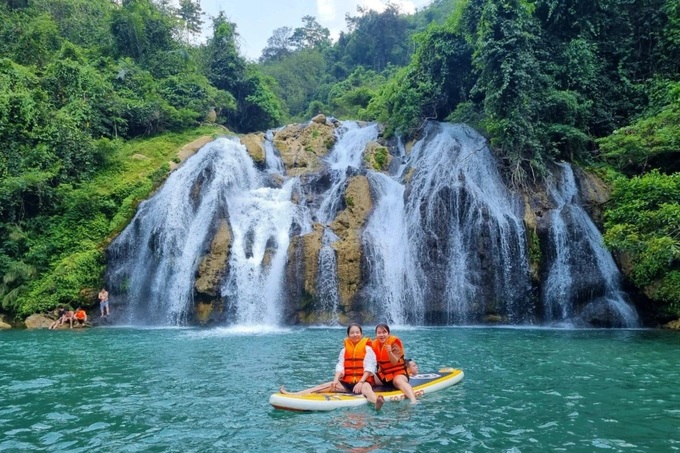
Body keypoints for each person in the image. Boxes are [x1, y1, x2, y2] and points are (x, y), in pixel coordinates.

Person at [331, 323, 384, 410]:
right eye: (352, 333)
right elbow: (340, 365)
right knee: (325, 386)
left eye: (357, 332)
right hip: (347, 383)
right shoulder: (344, 351)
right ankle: (302, 395)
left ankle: (377, 403)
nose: (355, 335)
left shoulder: (368, 349)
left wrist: (361, 382)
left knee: (367, 389)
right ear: (348, 335)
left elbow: (369, 367)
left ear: (361, 334)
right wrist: (335, 380)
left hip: (363, 382)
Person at [372, 323, 418, 404]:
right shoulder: (374, 344)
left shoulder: (395, 342)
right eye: (379, 333)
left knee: (398, 381)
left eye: (384, 332)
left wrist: (389, 352)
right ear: (376, 334)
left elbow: (394, 362)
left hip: (399, 373)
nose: (381, 335)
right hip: (384, 375)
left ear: (388, 334)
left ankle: (413, 400)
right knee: (368, 378)